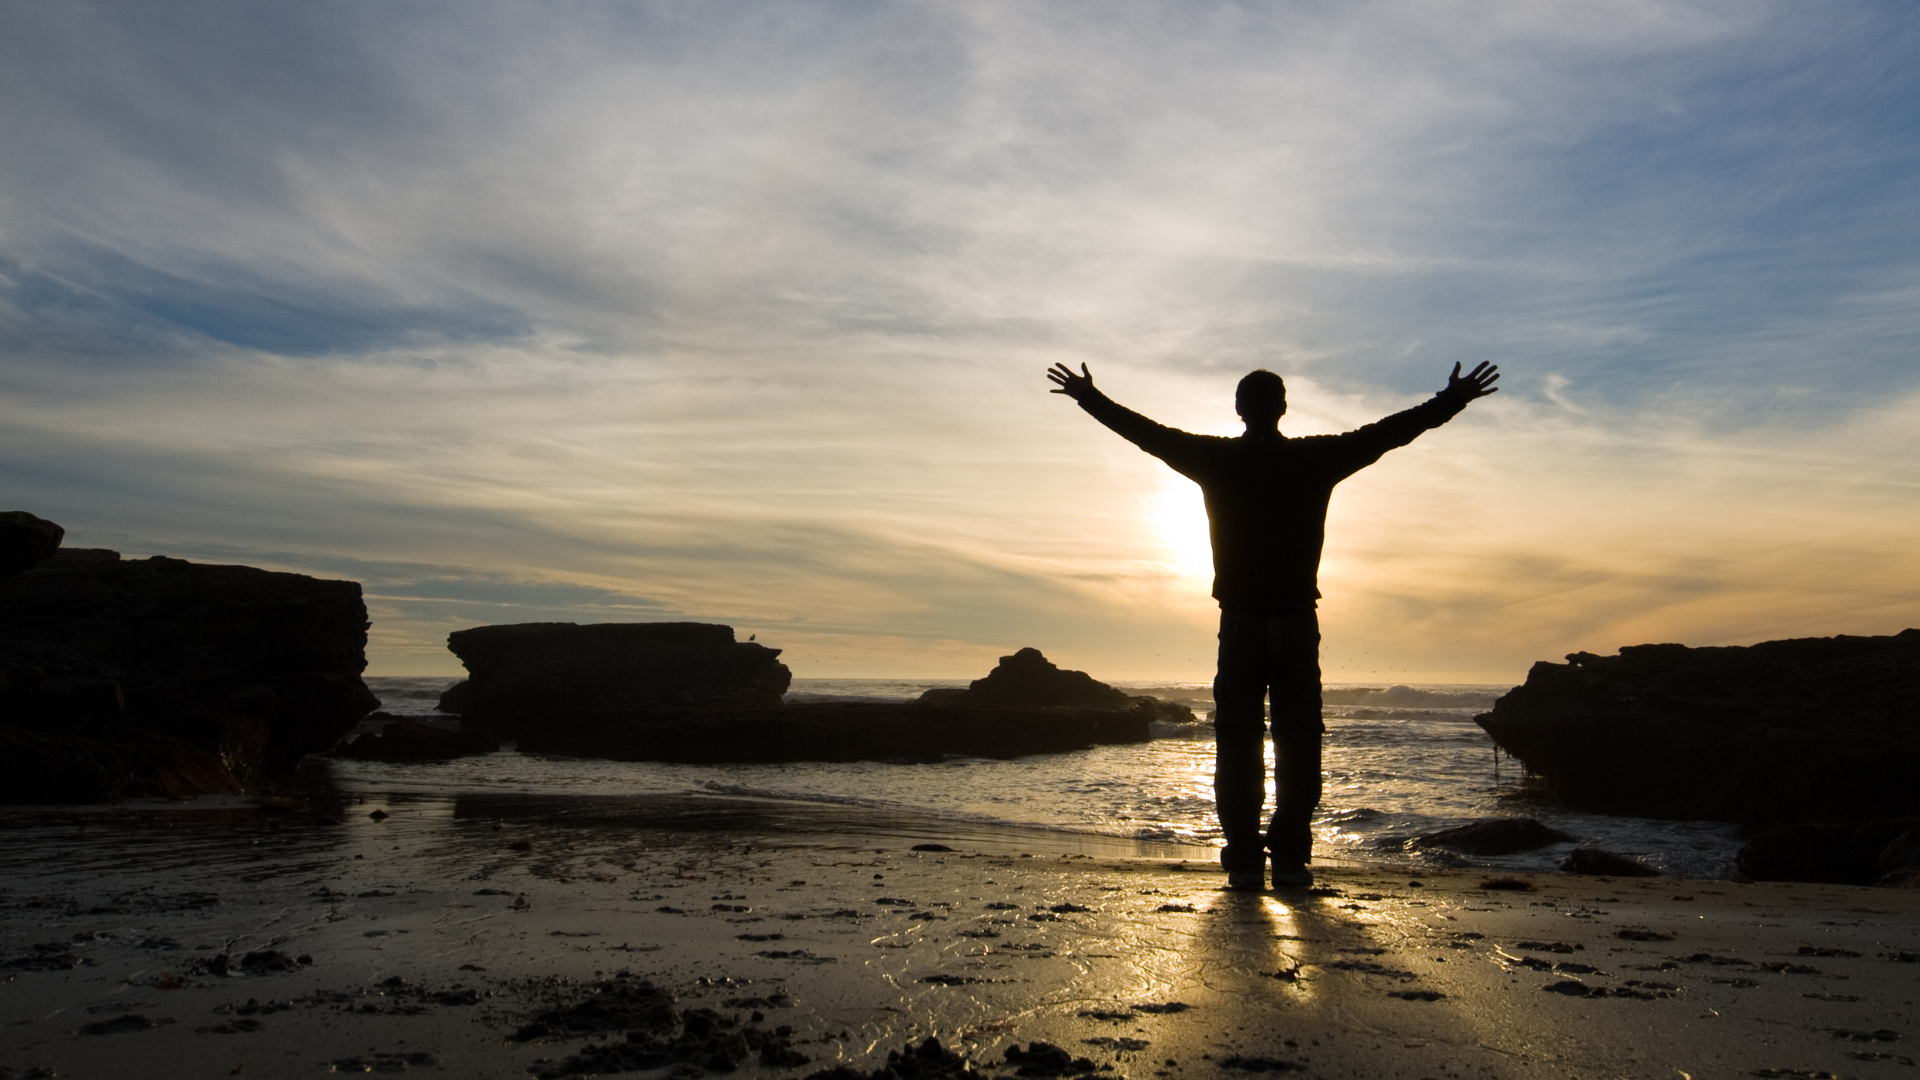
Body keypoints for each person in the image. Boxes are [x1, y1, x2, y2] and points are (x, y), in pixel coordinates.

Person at [1046, 360, 1500, 889]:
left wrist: (1090, 398)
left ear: (1239, 409)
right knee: (1298, 738)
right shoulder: (1314, 458)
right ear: (1283, 407)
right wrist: (1452, 400)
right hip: (1294, 622)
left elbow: (1146, 434)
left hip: (1240, 623)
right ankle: (1286, 857)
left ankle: (1243, 857)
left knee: (1239, 741)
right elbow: (1389, 433)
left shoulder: (1217, 459)